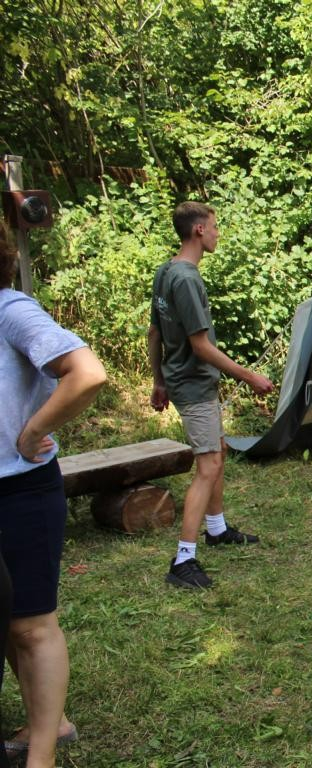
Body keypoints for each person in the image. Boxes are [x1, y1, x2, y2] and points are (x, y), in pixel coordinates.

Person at [1, 224, 106, 768]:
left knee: (30, 624)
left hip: (19, 489)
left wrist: (32, 431)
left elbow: (86, 373)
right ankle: (48, 720)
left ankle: (41, 755)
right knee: (7, 620)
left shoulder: (10, 309)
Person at [148, 201, 274, 589]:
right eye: (215, 226)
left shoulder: (166, 271)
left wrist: (158, 380)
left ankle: (216, 529)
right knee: (208, 466)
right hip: (193, 383)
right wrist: (249, 377)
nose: (218, 233)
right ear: (199, 230)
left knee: (217, 451)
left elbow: (155, 333)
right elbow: (200, 345)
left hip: (184, 380)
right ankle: (183, 560)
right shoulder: (186, 279)